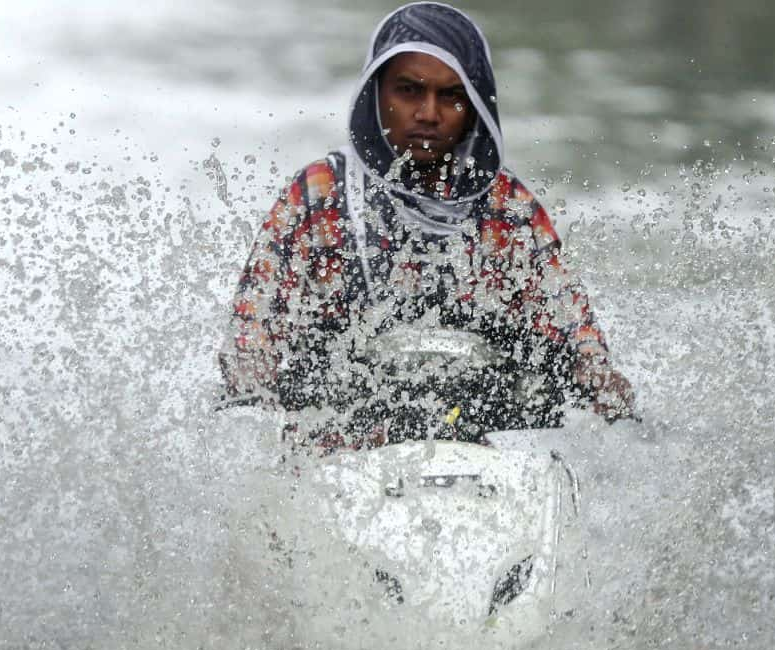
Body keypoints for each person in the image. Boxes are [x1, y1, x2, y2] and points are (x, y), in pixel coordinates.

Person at [221, 1, 634, 445]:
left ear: (475, 106)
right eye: (409, 90)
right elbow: (252, 329)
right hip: (335, 450)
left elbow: (572, 324)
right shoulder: (319, 197)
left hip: (482, 450)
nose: (429, 114)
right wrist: (251, 375)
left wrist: (597, 374)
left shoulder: (508, 209)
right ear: (375, 93)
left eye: (452, 96)